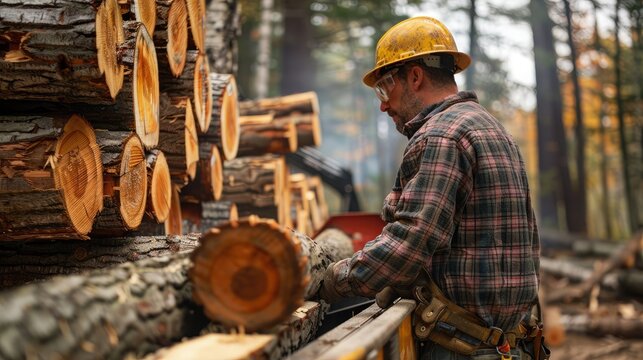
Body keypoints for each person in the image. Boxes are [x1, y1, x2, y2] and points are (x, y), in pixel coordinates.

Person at [318, 16, 543, 360]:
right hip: (510, 344)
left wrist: (330, 281)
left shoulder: (441, 135)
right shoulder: (491, 128)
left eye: (384, 88)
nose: (383, 104)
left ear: (415, 76)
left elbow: (407, 246)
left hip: (463, 349)